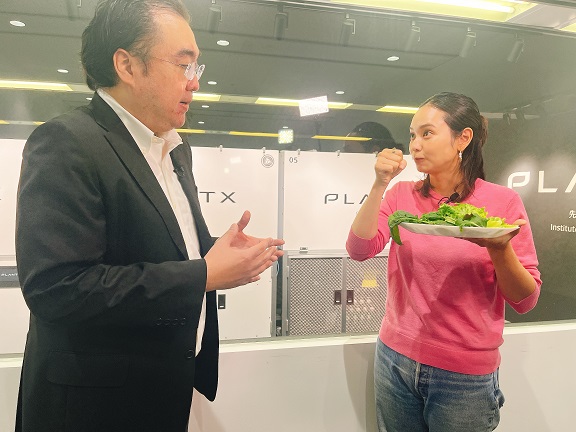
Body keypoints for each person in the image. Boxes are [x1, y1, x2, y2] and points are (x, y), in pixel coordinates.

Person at [14, 1, 284, 431]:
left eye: (197, 67)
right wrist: (203, 274)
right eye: (183, 65)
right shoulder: (67, 142)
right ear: (127, 65)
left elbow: (159, 244)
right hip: (92, 406)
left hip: (163, 386)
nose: (195, 82)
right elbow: (57, 288)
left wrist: (215, 251)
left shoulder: (174, 148)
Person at [346, 92, 541, 432]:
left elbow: (525, 300)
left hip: (463, 375)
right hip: (395, 358)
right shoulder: (401, 195)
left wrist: (499, 250)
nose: (415, 145)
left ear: (463, 138)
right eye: (412, 135)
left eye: (427, 133)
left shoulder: (502, 202)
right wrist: (379, 184)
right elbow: (359, 249)